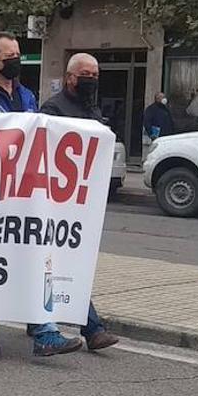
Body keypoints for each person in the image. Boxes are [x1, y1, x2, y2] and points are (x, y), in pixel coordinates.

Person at [0, 32, 81, 357]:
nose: (16, 60)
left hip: (23, 191)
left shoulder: (25, 94)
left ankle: (45, 331)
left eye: (18, 54)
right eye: (9, 56)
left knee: (34, 256)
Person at [40, 53, 121, 352]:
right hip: (56, 198)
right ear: (70, 77)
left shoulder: (92, 109)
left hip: (81, 200)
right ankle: (92, 329)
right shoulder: (53, 109)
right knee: (57, 263)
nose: (92, 80)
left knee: (71, 263)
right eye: (86, 74)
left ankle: (41, 323)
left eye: (95, 75)